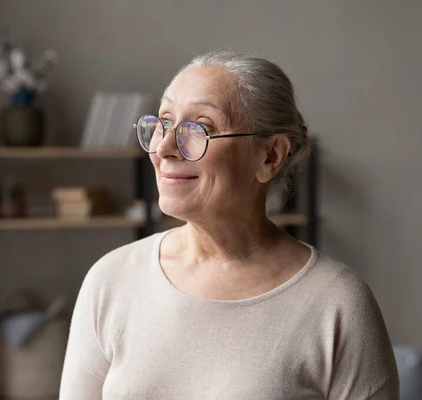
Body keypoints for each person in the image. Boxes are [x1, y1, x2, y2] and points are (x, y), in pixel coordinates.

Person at [59, 50, 399, 399]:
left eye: (200, 128)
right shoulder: (111, 279)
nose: (163, 148)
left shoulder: (338, 304)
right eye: (163, 122)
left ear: (270, 156)